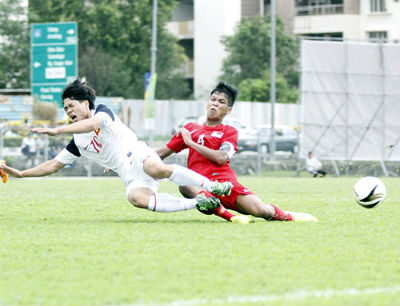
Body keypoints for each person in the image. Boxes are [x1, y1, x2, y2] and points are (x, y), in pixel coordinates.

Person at [0, 79, 233, 214]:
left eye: (71, 105)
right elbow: (53, 165)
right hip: (129, 173)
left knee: (156, 168)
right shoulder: (78, 143)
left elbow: (92, 124)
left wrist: (56, 130)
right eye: (65, 108)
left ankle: (215, 186)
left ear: (85, 103)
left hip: (140, 154)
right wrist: (20, 173)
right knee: (136, 199)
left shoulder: (102, 112)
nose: (68, 111)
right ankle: (197, 202)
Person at [157, 81, 318, 223]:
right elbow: (161, 154)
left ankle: (289, 216)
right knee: (185, 185)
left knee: (262, 211)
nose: (215, 104)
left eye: (221, 102)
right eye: (213, 100)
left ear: (228, 110)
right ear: (207, 103)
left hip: (226, 184)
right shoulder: (190, 129)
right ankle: (230, 217)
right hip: (200, 186)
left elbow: (222, 158)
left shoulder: (230, 131)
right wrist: (138, 154)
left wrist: (191, 143)